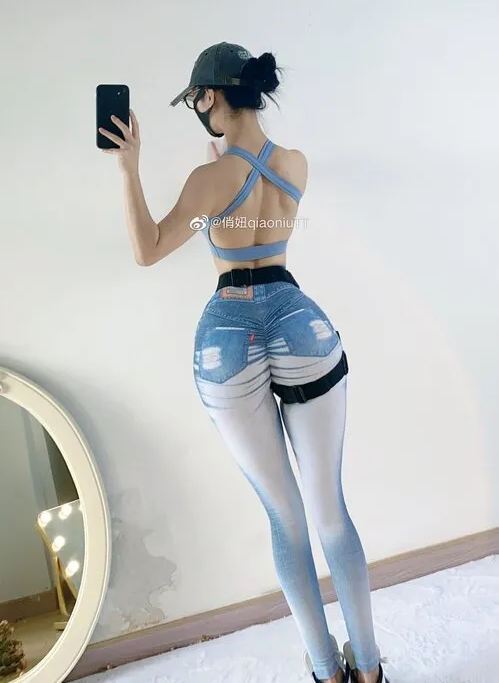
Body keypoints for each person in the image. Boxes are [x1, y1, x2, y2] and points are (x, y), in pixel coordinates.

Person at [99, 42, 390, 683]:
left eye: (197, 101)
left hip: (227, 337)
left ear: (210, 97)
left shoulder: (207, 183)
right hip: (301, 324)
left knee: (286, 520)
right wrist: (226, 170)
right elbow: (253, 193)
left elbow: (150, 248)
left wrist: (129, 168)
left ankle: (325, 670)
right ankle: (369, 671)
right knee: (331, 512)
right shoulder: (295, 165)